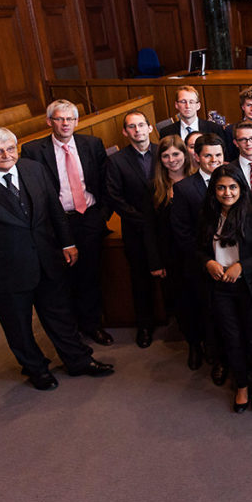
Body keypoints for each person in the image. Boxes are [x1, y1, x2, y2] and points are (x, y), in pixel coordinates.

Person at [0, 126, 114, 390]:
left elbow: (54, 210)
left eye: (10, 148)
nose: (6, 155)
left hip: (47, 260)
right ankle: (36, 369)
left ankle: (78, 360)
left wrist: (67, 242)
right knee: (19, 326)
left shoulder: (34, 169)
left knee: (61, 315)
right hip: (3, 272)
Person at [21, 99, 112, 345]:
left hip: (89, 217)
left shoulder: (92, 144)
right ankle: (69, 332)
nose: (65, 124)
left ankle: (92, 325)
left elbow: (105, 182)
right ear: (49, 121)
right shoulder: (32, 151)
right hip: (55, 223)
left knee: (89, 275)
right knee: (60, 279)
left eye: (70, 119)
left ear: (76, 121)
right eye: (59, 119)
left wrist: (102, 215)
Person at [199, 165, 252, 413]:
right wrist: (207, 262)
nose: (227, 192)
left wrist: (242, 267)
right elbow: (196, 248)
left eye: (232, 187)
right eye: (221, 187)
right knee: (232, 339)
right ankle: (241, 384)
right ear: (214, 190)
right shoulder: (208, 215)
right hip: (220, 287)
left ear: (241, 188)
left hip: (250, 287)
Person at [170, 133, 227, 379]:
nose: (213, 160)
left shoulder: (232, 181)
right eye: (208, 155)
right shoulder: (184, 188)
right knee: (202, 310)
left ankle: (223, 357)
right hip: (200, 263)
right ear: (196, 157)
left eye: (218, 155)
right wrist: (206, 260)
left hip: (230, 262)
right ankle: (203, 350)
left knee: (225, 314)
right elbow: (181, 233)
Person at [105, 111, 163, 348]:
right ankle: (145, 325)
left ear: (150, 128)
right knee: (140, 279)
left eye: (141, 125)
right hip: (136, 229)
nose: (137, 130)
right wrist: (143, 220)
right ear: (125, 132)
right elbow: (115, 197)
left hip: (167, 227)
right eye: (132, 126)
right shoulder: (116, 161)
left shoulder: (164, 152)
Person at [151, 134, 196, 364]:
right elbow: (150, 229)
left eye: (176, 154)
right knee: (182, 304)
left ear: (185, 155)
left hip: (196, 255)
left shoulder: (196, 181)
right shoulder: (156, 187)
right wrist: (157, 261)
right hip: (171, 257)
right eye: (166, 155)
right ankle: (194, 346)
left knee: (202, 302)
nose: (171, 159)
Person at [160, 85, 225, 143]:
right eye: (183, 102)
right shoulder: (166, 133)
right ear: (176, 105)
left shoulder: (215, 129)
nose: (187, 106)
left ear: (198, 105)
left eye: (191, 102)